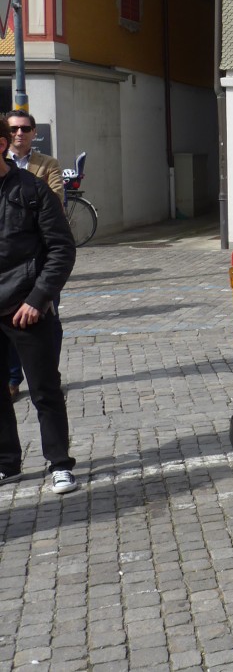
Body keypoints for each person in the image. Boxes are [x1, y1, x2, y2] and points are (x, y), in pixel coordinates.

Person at [0, 118, 79, 493]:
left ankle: (59, 463)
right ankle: (7, 463)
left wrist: (38, 299)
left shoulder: (31, 190)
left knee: (44, 389)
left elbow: (61, 249)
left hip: (26, 307)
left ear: (0, 144)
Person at [4, 111, 64, 400]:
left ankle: (47, 373)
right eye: (14, 129)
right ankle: (13, 378)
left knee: (48, 319)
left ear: (33, 132)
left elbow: (55, 200)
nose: (20, 133)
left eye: (25, 128)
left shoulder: (47, 164)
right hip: (10, 262)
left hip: (40, 257)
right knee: (8, 326)